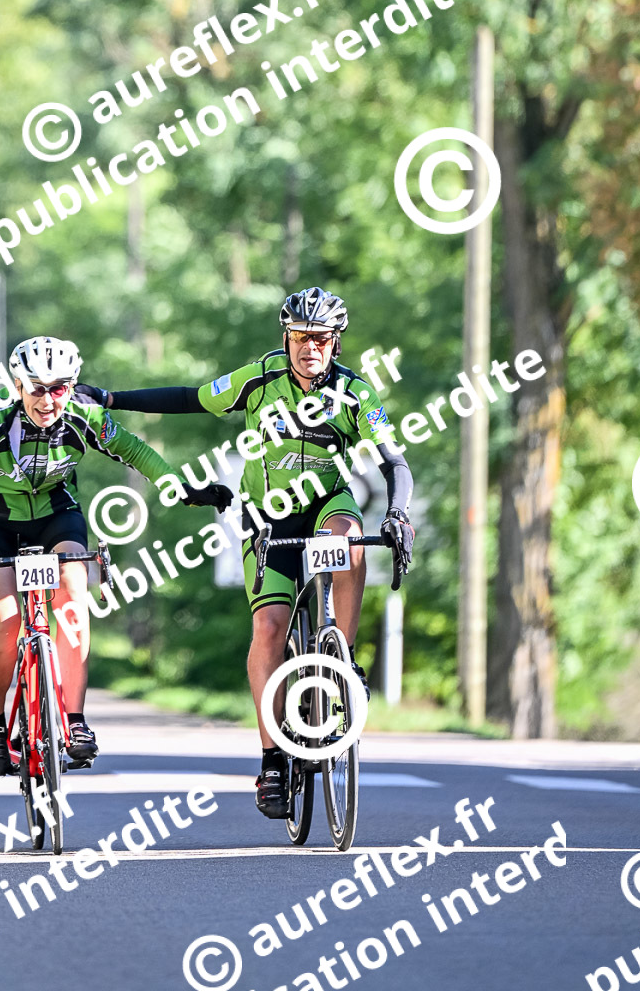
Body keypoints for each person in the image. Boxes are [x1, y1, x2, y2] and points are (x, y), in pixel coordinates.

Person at [81, 286, 415, 820]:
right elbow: (191, 398)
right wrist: (112, 399)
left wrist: (397, 513)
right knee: (269, 628)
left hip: (327, 501)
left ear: (335, 343)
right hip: (268, 514)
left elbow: (393, 462)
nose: (310, 347)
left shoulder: (355, 393)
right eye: (301, 337)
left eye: (321, 338)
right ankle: (272, 759)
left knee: (347, 540)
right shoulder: (259, 379)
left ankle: (343, 662)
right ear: (286, 338)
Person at [0, 334, 228, 776]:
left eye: (58, 389)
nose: (48, 400)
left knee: (73, 599)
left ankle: (74, 720)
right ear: (18, 386)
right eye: (37, 388)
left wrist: (182, 488)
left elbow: (135, 451)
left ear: (71, 387)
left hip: (56, 516)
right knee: (7, 621)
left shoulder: (85, 416)